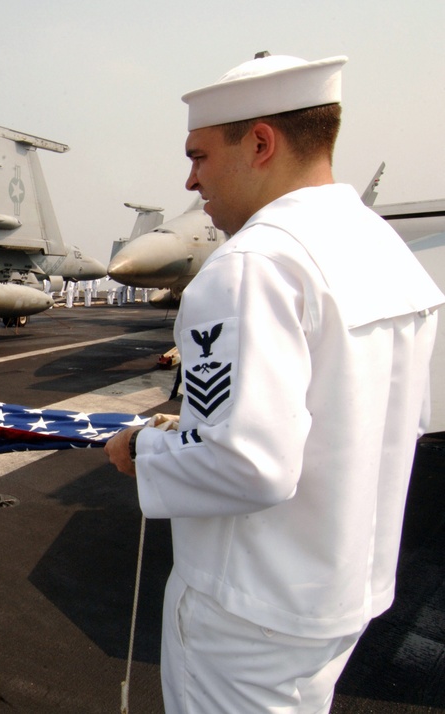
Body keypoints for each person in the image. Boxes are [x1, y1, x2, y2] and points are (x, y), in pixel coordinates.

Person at [104, 53, 444, 713]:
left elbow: (249, 466)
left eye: (199, 156)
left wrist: (139, 448)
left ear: (260, 143)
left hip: (245, 616)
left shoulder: (250, 267)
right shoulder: (387, 250)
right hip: (339, 596)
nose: (191, 179)